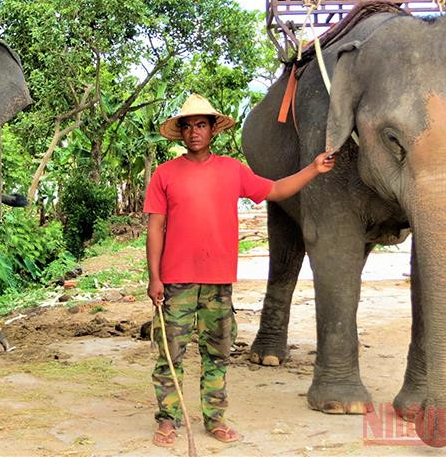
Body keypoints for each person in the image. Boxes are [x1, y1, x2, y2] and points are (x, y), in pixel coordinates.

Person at [144, 94, 336, 448]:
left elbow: (276, 190)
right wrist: (155, 278)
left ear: (213, 129)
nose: (194, 133)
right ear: (180, 133)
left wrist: (313, 168)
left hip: (219, 282)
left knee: (216, 354)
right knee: (170, 355)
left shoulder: (232, 170)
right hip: (175, 282)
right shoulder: (164, 174)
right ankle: (168, 420)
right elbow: (155, 228)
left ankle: (214, 418)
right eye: (187, 127)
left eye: (201, 125)